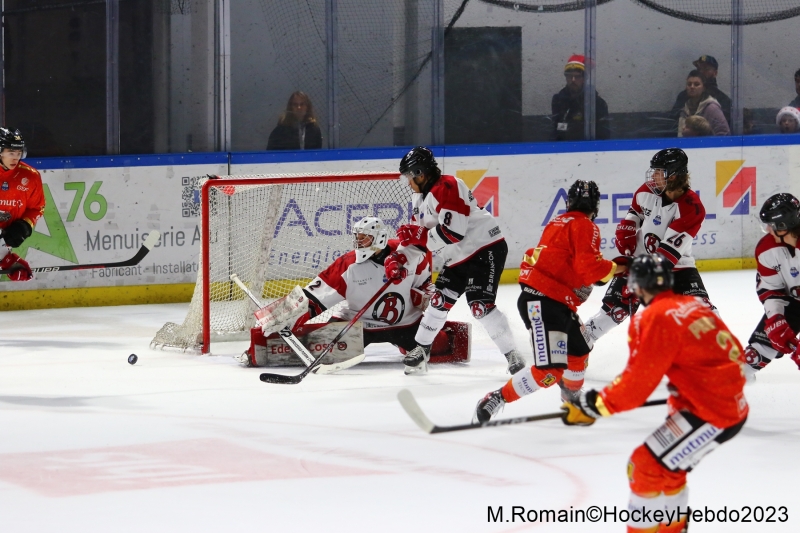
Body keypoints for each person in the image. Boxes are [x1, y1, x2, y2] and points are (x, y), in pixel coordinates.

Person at [561, 254, 748, 533]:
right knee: (670, 471)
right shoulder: (695, 305)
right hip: (718, 404)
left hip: (712, 412)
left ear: (637, 287)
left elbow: (637, 385)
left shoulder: (654, 318)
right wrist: (696, 386)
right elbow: (737, 359)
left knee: (643, 466)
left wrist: (595, 406)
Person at [472, 180, 627, 423]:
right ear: (595, 206)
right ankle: (497, 398)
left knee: (580, 350)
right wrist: (615, 268)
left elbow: (565, 264)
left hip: (552, 302)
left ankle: (572, 399)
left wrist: (594, 275)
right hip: (543, 304)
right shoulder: (585, 225)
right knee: (550, 372)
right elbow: (588, 269)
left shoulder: (558, 223)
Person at [249, 216, 460, 363]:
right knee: (314, 346)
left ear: (379, 238)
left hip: (405, 324)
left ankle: (408, 345)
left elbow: (425, 285)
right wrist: (276, 315)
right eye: (357, 237)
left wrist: (425, 297)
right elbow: (312, 297)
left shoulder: (409, 253)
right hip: (356, 326)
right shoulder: (349, 265)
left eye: (364, 237)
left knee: (444, 345)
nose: (358, 242)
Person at [395, 146, 524, 375]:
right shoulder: (419, 199)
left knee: (480, 306)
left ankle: (513, 353)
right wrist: (400, 258)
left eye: (409, 177)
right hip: (456, 257)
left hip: (485, 248)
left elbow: (454, 233)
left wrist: (421, 237)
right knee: (439, 301)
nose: (408, 183)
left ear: (421, 174)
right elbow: (422, 240)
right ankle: (422, 348)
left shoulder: (448, 186)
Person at [584, 148, 718, 344]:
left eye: (658, 172)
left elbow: (665, 257)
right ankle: (582, 341)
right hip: (639, 258)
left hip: (677, 266)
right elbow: (636, 212)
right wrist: (629, 225)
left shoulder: (692, 209)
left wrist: (634, 274)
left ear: (673, 176)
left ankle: (724, 360)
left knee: (703, 312)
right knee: (616, 309)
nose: (653, 176)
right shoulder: (647, 190)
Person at [741, 194, 800, 381]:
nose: (767, 229)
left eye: (771, 225)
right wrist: (776, 317)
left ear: (783, 226)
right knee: (754, 355)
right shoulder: (766, 249)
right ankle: (733, 378)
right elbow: (771, 289)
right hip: (794, 301)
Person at [0, 128, 42, 282]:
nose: (15, 158)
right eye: (11, 153)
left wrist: (24, 226)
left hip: (5, 240)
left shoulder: (30, 176)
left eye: (18, 153)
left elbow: (37, 208)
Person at [550, 54, 610, 141]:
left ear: (584, 79)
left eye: (577, 76)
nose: (573, 80)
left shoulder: (597, 102)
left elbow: (604, 135)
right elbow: (555, 130)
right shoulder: (558, 100)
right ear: (566, 77)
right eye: (570, 76)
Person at [670, 55, 731, 127]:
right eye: (699, 69)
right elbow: (673, 120)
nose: (701, 72)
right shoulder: (684, 95)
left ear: (715, 73)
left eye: (706, 69)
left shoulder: (722, 99)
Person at [677, 71, 729, 136]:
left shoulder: (712, 108)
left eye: (696, 84)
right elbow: (680, 134)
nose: (692, 87)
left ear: (704, 88)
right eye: (689, 84)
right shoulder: (684, 109)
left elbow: (724, 134)